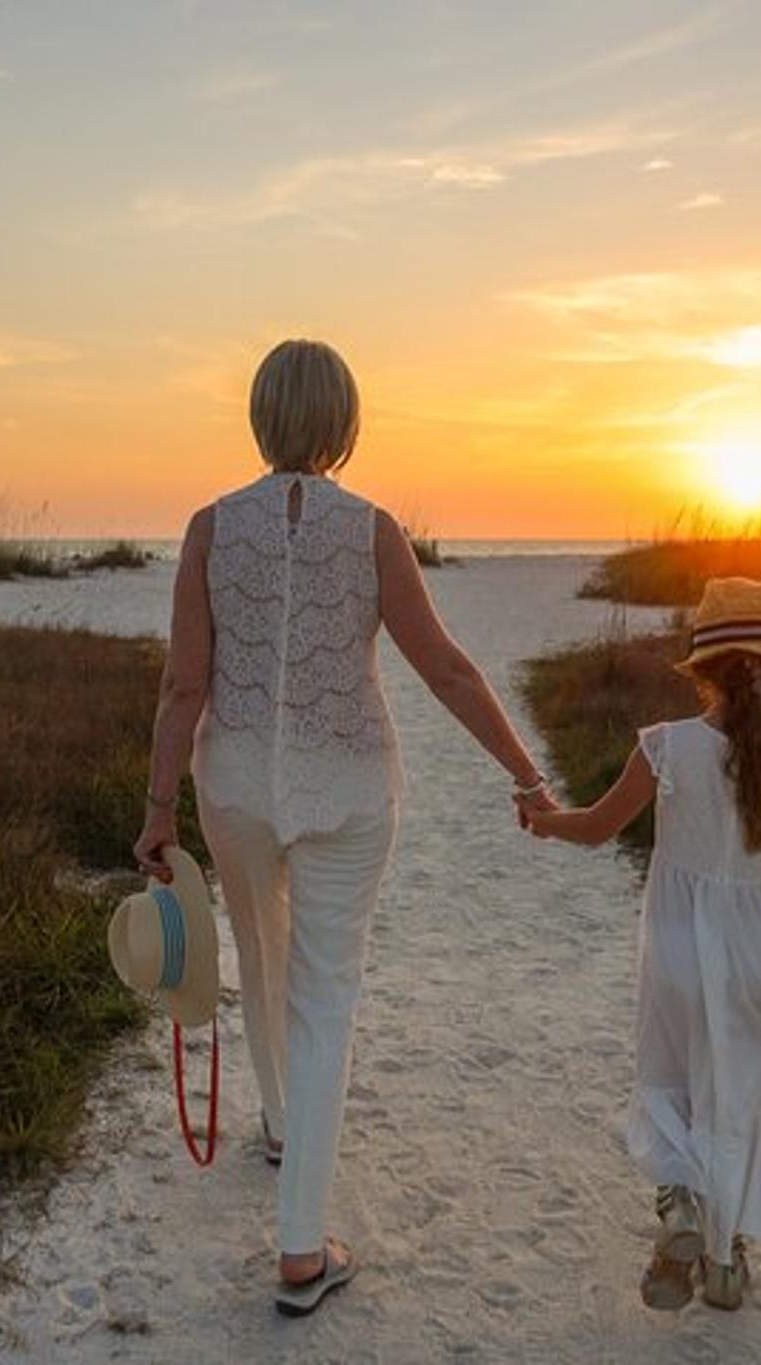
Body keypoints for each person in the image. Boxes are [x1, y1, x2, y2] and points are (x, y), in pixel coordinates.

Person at [132, 339, 552, 1316]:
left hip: (233, 788)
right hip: (350, 790)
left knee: (260, 955)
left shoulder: (207, 528)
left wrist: (157, 811)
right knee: (323, 992)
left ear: (258, 415)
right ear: (343, 422)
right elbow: (442, 664)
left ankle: (280, 1129)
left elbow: (183, 684)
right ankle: (297, 1243)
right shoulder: (370, 530)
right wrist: (525, 774)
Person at [518, 577, 761, 1312]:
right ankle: (726, 1260)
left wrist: (543, 818)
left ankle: (677, 1207)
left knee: (669, 1074)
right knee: (735, 1091)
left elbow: (600, 825)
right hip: (759, 950)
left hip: (675, 941)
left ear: (705, 669)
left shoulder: (668, 746)